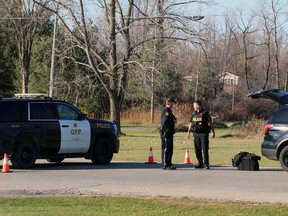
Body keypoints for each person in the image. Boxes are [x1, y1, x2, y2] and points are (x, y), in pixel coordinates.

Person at [187, 100, 215, 169]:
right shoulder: (194, 113)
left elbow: (210, 122)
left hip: (203, 133)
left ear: (198, 105)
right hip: (196, 133)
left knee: (205, 149)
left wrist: (213, 131)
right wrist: (188, 132)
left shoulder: (205, 113)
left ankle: (206, 164)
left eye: (194, 105)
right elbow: (191, 122)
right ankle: (200, 163)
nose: (193, 107)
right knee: (197, 149)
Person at [160, 98, 177, 170]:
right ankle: (165, 164)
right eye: (172, 103)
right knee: (166, 148)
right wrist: (166, 131)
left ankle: (169, 163)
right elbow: (165, 122)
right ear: (169, 103)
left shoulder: (169, 111)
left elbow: (174, 119)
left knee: (170, 149)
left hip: (170, 132)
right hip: (166, 132)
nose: (173, 104)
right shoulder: (166, 111)